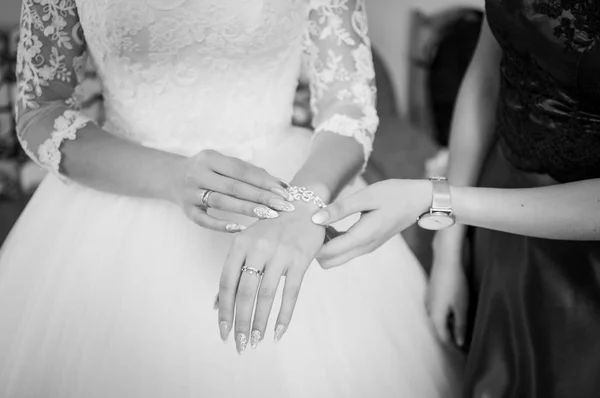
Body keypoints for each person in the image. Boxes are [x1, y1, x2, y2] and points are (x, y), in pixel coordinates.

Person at [0, 1, 461, 397]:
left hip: (287, 192)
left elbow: (349, 109)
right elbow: (42, 110)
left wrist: (301, 203)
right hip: (122, 197)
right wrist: (173, 177)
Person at [314, 2, 600, 397]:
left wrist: (439, 200)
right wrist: (449, 243)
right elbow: (487, 73)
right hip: (495, 197)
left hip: (583, 263)